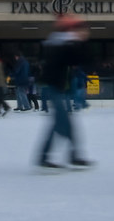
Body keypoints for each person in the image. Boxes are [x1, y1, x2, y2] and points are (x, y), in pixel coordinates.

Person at [35, 14, 94, 170]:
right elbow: (78, 58)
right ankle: (70, 155)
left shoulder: (61, 42)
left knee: (60, 124)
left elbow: (79, 60)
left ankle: (53, 156)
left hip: (57, 87)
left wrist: (79, 42)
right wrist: (80, 41)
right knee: (63, 124)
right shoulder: (60, 42)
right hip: (55, 87)